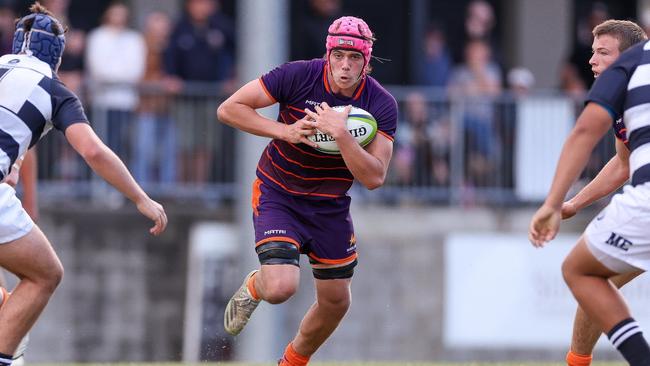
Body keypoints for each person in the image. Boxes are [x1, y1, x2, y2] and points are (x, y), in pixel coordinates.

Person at [217, 16, 397, 365]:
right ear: (327, 54)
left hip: (329, 206)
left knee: (336, 302)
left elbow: (375, 177)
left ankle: (292, 362)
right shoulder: (297, 75)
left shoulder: (381, 104)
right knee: (281, 287)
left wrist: (341, 134)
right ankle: (256, 285)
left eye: (355, 58)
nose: (345, 66)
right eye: (339, 55)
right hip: (279, 193)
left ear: (367, 61)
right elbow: (229, 109)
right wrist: (284, 131)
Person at [0, 3, 168, 366]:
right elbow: (92, 150)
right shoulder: (54, 89)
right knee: (45, 274)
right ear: (57, 55)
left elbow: (15, 142)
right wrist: (141, 198)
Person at [529, 17, 650, 366]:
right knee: (596, 284)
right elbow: (622, 163)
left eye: (602, 52)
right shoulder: (630, 103)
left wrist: (551, 203)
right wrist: (572, 205)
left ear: (627, 55)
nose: (592, 60)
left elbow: (583, 133)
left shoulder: (625, 73)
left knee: (582, 272)